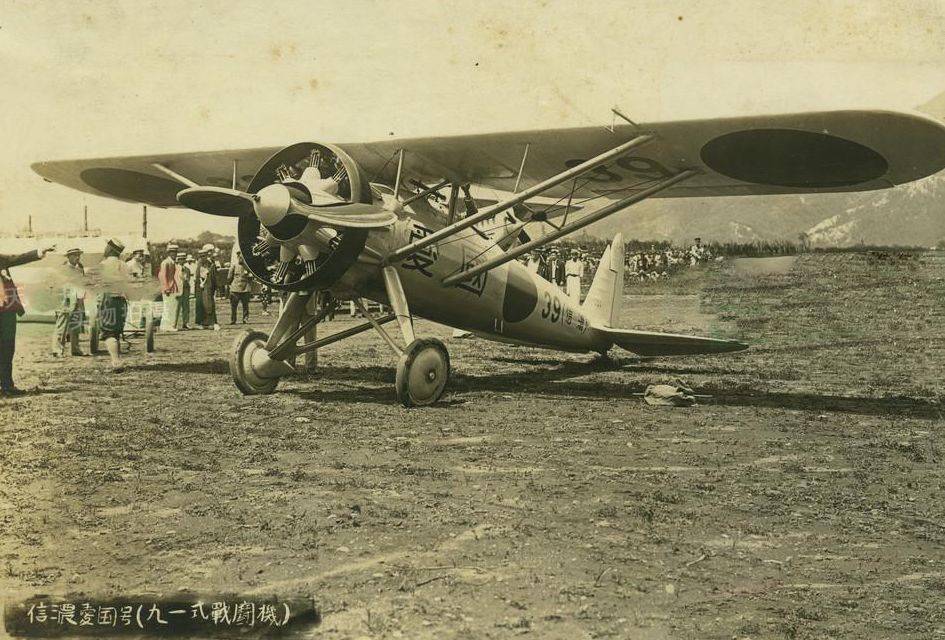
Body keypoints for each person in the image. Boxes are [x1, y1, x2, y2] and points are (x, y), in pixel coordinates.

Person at [1, 245, 56, 394]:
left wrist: (39, 252)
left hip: (7, 312)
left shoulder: (1, 259)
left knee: (7, 348)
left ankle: (7, 386)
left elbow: (19, 258)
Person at [95, 237, 131, 371]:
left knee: (108, 333)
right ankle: (117, 360)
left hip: (108, 299)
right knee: (116, 332)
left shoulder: (103, 265)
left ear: (110, 249)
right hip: (121, 301)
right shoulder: (125, 265)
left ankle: (116, 362)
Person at [51, 247, 86, 357]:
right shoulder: (62, 269)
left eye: (78, 255)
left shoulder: (80, 268)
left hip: (77, 298)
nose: (77, 257)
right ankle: (57, 349)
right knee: (62, 325)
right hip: (66, 299)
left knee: (76, 325)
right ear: (69, 256)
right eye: (75, 255)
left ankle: (75, 349)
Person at [157, 243, 179, 332]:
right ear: (169, 253)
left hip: (172, 287)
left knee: (171, 306)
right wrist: (166, 288)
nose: (175, 254)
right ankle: (166, 325)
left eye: (175, 252)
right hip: (168, 288)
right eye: (173, 252)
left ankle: (168, 325)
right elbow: (162, 276)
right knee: (167, 307)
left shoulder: (172, 262)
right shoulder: (165, 262)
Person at [227, 251, 253, 324]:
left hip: (245, 288)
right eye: (240, 257)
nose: (241, 259)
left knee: (245, 305)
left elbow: (252, 277)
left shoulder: (248, 267)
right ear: (237, 257)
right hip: (235, 288)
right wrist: (230, 285)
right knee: (233, 306)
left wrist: (249, 276)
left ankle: (245, 319)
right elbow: (229, 277)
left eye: (242, 257)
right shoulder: (234, 266)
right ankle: (233, 320)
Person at [197, 248, 220, 330]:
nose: (202, 258)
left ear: (206, 256)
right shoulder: (199, 265)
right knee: (202, 305)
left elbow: (214, 277)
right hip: (201, 288)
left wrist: (215, 288)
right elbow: (197, 276)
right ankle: (204, 323)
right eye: (201, 256)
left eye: (204, 256)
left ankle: (213, 322)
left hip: (209, 287)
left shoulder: (211, 265)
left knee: (209, 304)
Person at [174, 252, 191, 330]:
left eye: (183, 259)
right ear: (178, 260)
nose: (182, 260)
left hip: (186, 289)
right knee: (176, 308)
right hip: (177, 289)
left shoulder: (187, 269)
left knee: (186, 307)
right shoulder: (174, 268)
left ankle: (185, 323)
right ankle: (174, 324)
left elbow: (188, 279)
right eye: (181, 259)